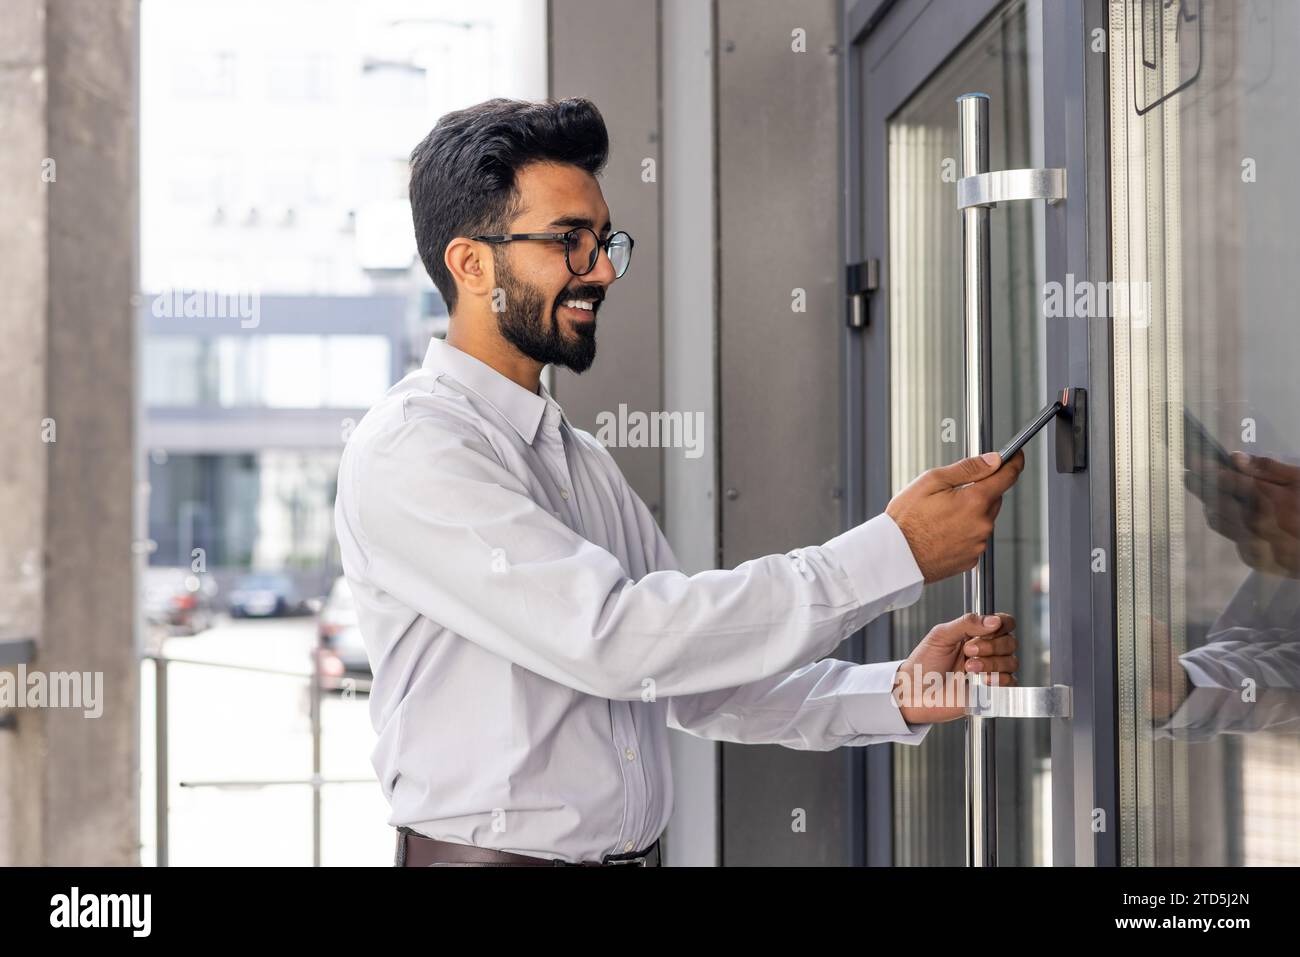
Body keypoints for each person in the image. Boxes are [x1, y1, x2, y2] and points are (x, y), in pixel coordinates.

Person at [333, 96, 1025, 867]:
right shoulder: (413, 447)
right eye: (569, 241)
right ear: (471, 263)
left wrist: (900, 690)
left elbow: (689, 675)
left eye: (603, 241)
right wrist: (892, 551)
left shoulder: (579, 460)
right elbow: (620, 641)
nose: (600, 270)